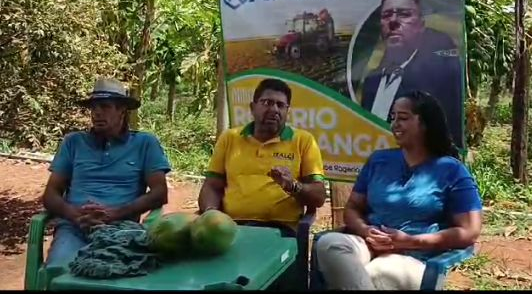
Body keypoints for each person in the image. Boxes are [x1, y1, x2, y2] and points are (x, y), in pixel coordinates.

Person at [315, 90, 482, 290]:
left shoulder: (451, 170)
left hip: (416, 257)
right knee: (329, 243)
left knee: (377, 273)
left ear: (425, 123)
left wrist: (409, 241)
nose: (395, 124)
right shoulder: (379, 160)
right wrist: (365, 230)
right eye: (392, 117)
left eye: (403, 118)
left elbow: (470, 230)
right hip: (367, 245)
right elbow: (352, 207)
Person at [42, 78, 171, 267]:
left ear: (122, 110)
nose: (97, 113)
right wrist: (75, 215)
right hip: (74, 227)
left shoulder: (145, 143)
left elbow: (160, 193)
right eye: (93, 107)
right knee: (60, 271)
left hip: (121, 228)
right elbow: (50, 195)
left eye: (105, 106)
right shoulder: (73, 142)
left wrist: (116, 213)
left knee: (116, 273)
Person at [198, 78, 326, 237]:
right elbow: (212, 186)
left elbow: (319, 196)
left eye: (281, 105)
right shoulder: (230, 138)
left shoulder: (303, 141)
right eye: (267, 103)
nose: (274, 109)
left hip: (280, 231)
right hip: (232, 227)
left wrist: (293, 186)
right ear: (252, 107)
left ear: (287, 112)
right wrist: (211, 214)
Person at [360, 0, 463, 147]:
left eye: (404, 14)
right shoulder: (370, 82)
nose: (393, 21)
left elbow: (450, 137)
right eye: (386, 15)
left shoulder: (439, 80)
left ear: (421, 25)